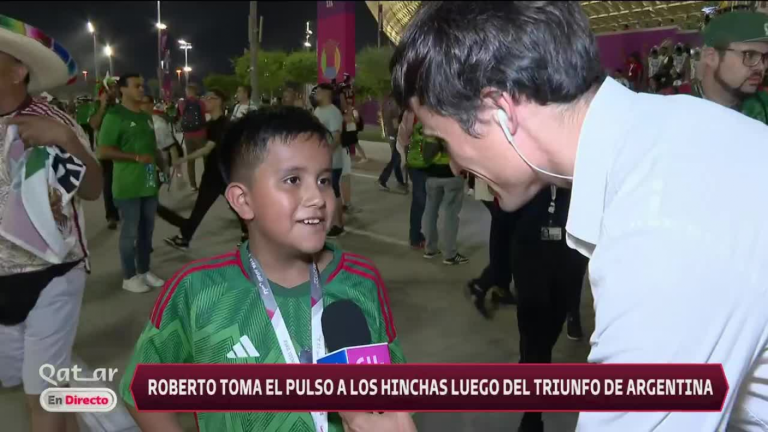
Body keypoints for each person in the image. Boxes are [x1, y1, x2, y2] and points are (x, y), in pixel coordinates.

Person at [391, 2, 768, 431]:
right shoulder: (677, 135)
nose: (456, 166)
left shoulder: (660, 228)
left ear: (500, 111)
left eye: (443, 139)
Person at [120, 106, 414, 432]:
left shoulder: (361, 280)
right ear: (242, 201)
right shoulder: (196, 290)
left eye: (324, 180)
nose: (317, 197)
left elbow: (391, 391)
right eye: (292, 179)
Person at [0, 14, 102, 432]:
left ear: (19, 70)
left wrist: (68, 141)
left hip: (51, 278)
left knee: (39, 396)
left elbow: (93, 188)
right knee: (40, 388)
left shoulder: (49, 120)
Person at [98, 74, 166, 294]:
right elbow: (104, 150)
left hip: (148, 181)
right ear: (123, 90)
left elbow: (151, 147)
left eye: (142, 84)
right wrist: (135, 158)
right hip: (127, 184)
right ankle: (129, 276)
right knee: (130, 232)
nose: (141, 89)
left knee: (147, 230)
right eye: (136, 85)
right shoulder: (115, 115)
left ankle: (144, 270)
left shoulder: (146, 116)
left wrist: (162, 165)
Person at [160, 89, 248, 249]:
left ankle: (249, 234)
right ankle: (185, 237)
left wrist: (183, 158)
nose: (205, 101)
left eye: (209, 98)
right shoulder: (211, 124)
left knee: (234, 206)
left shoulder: (223, 124)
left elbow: (207, 148)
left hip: (221, 174)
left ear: (219, 101)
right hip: (214, 173)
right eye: (204, 97)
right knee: (204, 207)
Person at [694, 11, 768, 125]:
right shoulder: (669, 105)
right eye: (750, 55)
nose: (762, 66)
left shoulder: (763, 106)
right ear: (711, 56)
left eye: (766, 57)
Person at [467, 177, 518, 319]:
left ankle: (501, 289)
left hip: (502, 192)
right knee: (508, 248)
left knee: (504, 244)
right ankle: (481, 285)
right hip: (500, 192)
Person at [420, 131, 469, 265]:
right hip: (451, 175)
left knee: (430, 210)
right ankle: (450, 254)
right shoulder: (453, 123)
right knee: (450, 214)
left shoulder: (430, 124)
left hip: (431, 174)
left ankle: (430, 249)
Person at [314, 83, 346, 238]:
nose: (316, 93)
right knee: (326, 192)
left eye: (319, 91)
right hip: (320, 160)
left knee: (333, 191)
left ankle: (338, 225)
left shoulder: (333, 113)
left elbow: (337, 138)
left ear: (327, 93)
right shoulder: (318, 110)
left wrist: (326, 154)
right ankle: (329, 222)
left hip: (332, 161)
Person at [89, 77, 121, 229]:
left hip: (123, 149)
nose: (114, 91)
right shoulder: (97, 105)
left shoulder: (123, 105)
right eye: (111, 87)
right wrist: (102, 106)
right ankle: (112, 216)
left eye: (116, 87)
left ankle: (124, 209)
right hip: (106, 150)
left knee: (123, 181)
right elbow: (94, 124)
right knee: (108, 183)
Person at [179, 83, 207, 191]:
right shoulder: (200, 103)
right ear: (195, 92)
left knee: (191, 160)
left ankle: (193, 185)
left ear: (187, 91)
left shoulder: (182, 103)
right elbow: (204, 113)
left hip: (188, 135)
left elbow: (181, 114)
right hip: (201, 133)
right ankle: (206, 182)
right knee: (206, 159)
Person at [378, 94, 408, 192]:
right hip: (395, 134)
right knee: (396, 158)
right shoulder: (395, 104)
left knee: (396, 159)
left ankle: (400, 182)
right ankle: (383, 179)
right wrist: (399, 133)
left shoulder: (387, 102)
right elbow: (395, 121)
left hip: (390, 133)